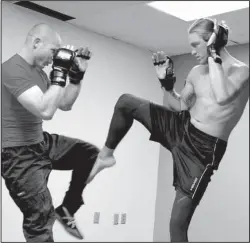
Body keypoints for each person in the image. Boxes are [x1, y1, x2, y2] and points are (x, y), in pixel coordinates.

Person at [85, 18, 249, 242]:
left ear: (212, 41)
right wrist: (167, 85)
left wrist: (212, 54)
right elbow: (181, 106)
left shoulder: (241, 72)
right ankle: (105, 156)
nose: (192, 51)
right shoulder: (195, 72)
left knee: (176, 226)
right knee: (126, 102)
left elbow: (221, 96)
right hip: (181, 127)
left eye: (195, 45)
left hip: (202, 151)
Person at [2, 23, 100, 242]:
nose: (54, 58)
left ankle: (67, 208)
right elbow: (45, 110)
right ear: (37, 42)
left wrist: (75, 77)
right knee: (40, 217)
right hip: (17, 154)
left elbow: (64, 103)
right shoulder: (10, 69)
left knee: (89, 153)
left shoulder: (39, 73)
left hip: (40, 141)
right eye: (53, 52)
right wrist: (59, 70)